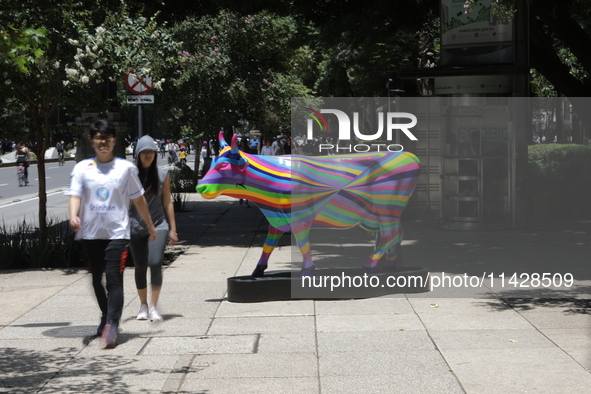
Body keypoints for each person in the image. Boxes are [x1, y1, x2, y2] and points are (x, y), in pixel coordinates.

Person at [65, 120, 157, 349]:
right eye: (98, 137)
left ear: (114, 140)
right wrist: (73, 215)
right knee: (97, 279)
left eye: (107, 137)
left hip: (117, 233)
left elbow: (138, 199)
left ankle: (113, 325)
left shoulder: (125, 169)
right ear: (92, 142)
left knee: (114, 279)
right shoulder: (82, 168)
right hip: (90, 233)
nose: (102, 142)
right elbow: (75, 195)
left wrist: (150, 225)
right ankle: (106, 317)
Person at [129, 136, 178, 322]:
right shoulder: (131, 174)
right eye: (144, 152)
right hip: (136, 226)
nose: (148, 155)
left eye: (151, 152)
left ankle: (153, 307)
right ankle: (142, 305)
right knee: (140, 266)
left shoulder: (162, 175)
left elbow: (168, 202)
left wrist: (173, 229)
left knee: (156, 262)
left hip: (159, 225)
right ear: (138, 154)